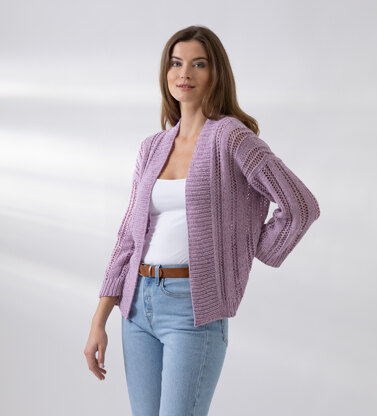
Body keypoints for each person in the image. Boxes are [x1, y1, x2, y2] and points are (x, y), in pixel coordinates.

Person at [84, 25, 320, 416]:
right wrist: (99, 319)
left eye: (198, 64)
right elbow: (128, 237)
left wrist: (249, 248)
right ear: (165, 72)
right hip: (136, 307)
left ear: (215, 73)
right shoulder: (152, 146)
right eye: (176, 63)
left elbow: (300, 205)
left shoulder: (231, 138)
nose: (184, 74)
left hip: (192, 308)